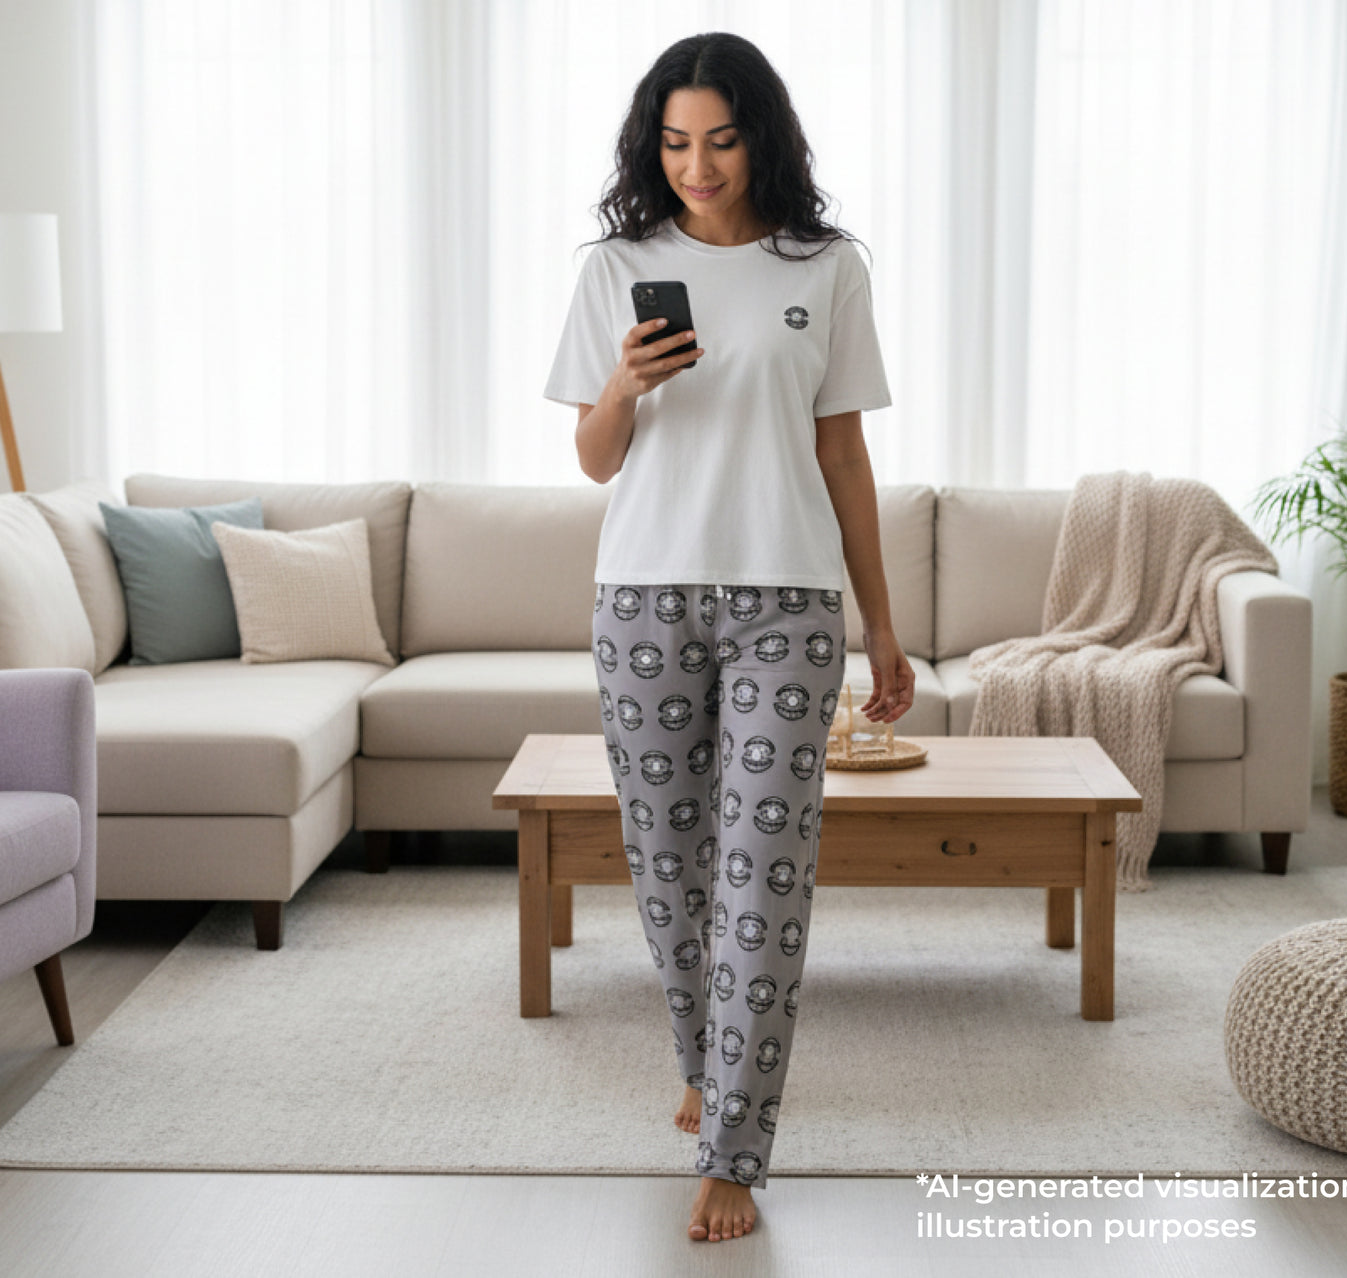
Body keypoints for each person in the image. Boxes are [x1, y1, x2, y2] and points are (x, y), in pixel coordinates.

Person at [543, 31, 915, 1244]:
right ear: (652, 146)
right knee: (667, 868)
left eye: (719, 137)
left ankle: (735, 1150)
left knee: (763, 873)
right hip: (641, 597)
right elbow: (596, 458)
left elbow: (843, 453)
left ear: (762, 135)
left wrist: (883, 625)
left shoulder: (827, 266)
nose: (696, 164)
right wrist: (623, 388)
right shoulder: (615, 265)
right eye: (673, 141)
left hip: (786, 607)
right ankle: (704, 1065)